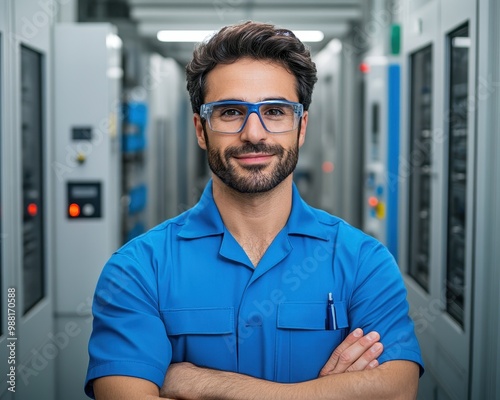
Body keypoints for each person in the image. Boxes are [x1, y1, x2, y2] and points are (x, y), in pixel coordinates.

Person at [85, 21, 423, 399]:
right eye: (230, 112)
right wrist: (328, 392)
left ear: (301, 126)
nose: (254, 133)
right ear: (201, 129)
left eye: (275, 111)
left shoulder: (363, 261)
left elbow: (397, 390)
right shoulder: (138, 269)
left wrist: (204, 383)